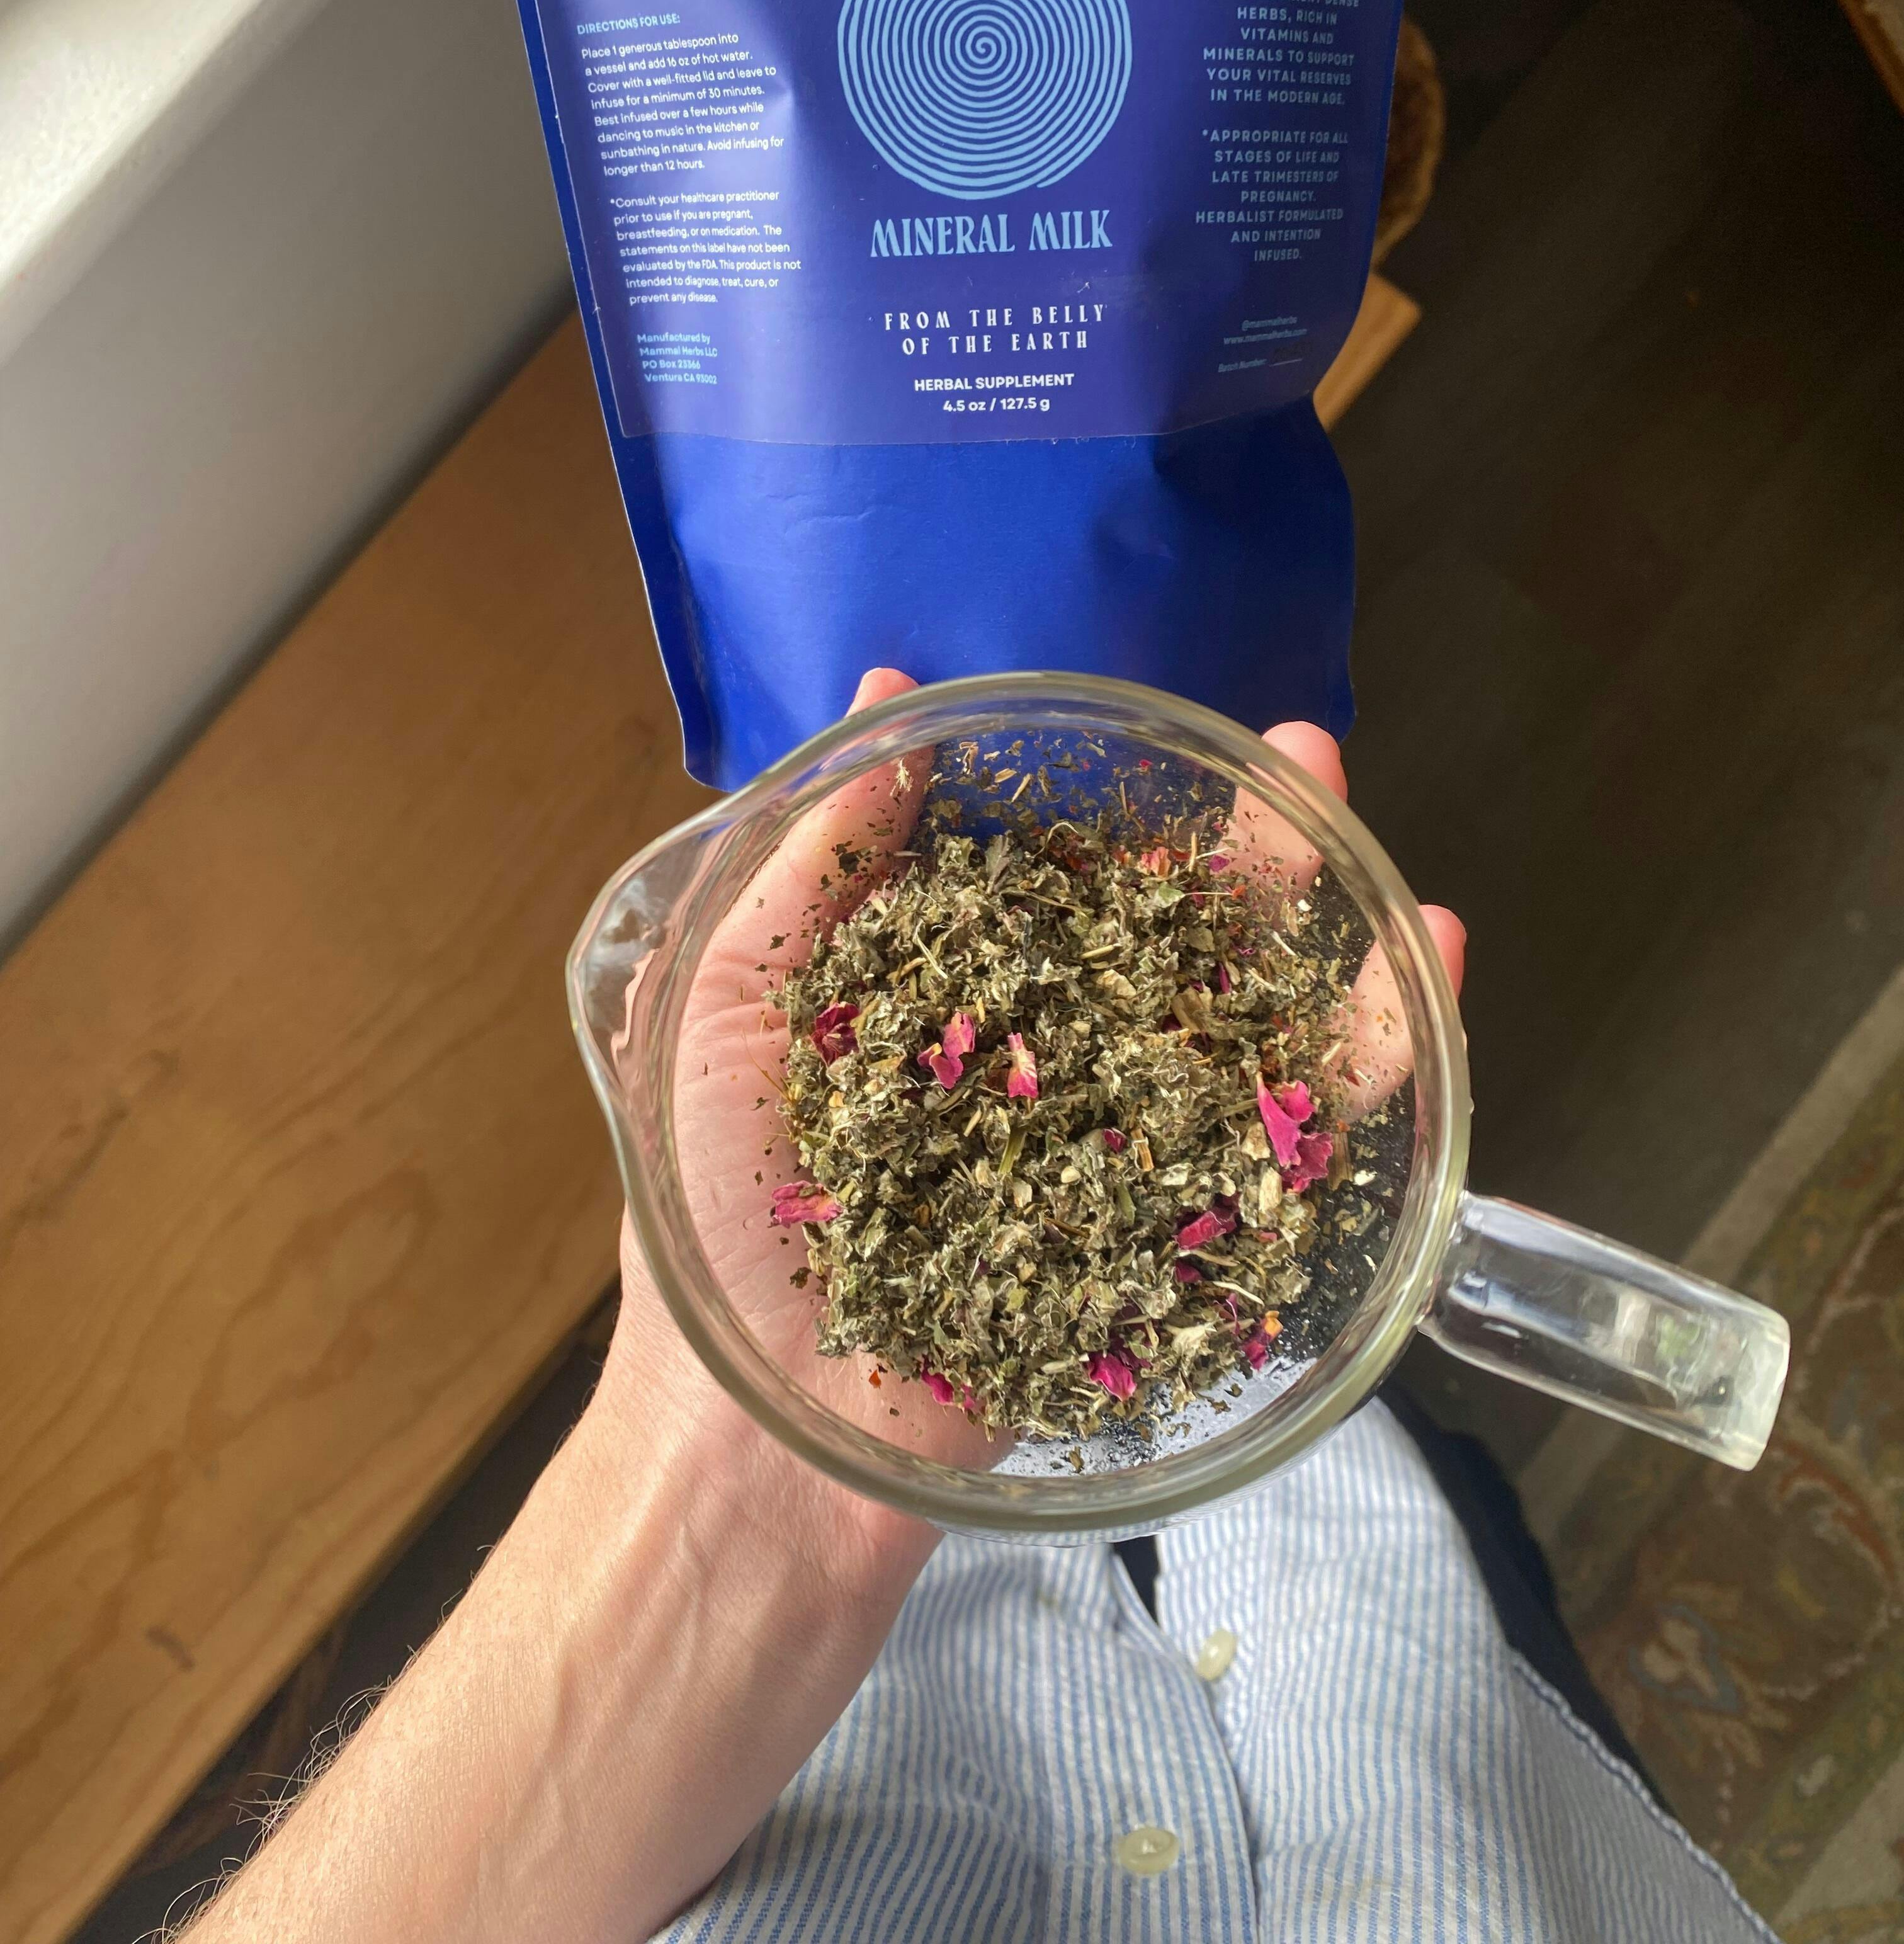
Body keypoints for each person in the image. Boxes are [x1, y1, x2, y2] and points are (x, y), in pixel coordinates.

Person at [185, 675, 1771, 1943]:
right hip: (1391, 1706)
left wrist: (735, 1484)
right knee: (1431, 1507)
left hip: (937, 1591)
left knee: (1341, 1391)